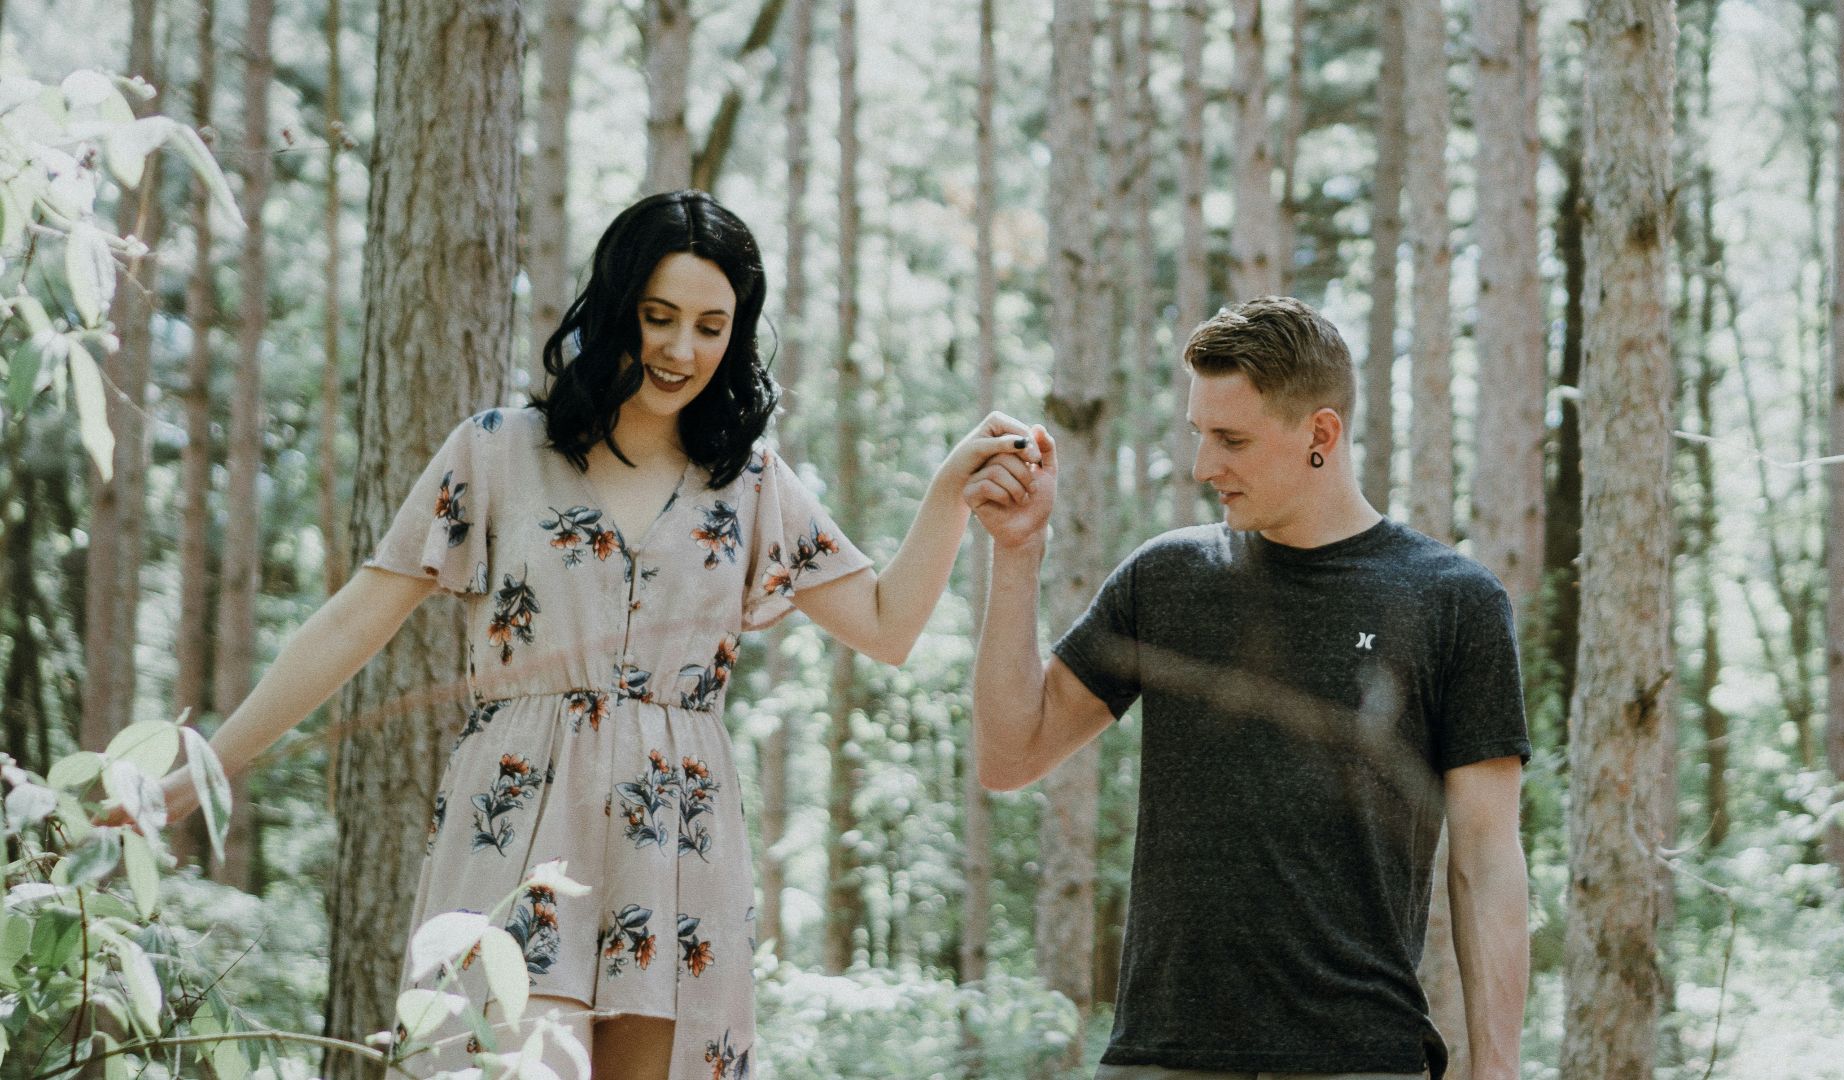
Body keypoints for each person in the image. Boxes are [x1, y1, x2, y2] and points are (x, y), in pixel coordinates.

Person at [141, 190, 1040, 1080]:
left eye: (711, 325)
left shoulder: (751, 482)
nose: (681, 349)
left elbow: (886, 626)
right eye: (658, 317)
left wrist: (948, 496)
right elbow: (352, 621)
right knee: (500, 1068)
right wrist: (200, 775)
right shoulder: (497, 452)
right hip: (518, 820)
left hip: (677, 841)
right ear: (615, 308)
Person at [963, 296, 1530, 1080]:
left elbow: (1487, 855)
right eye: (1200, 434)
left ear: (1321, 435)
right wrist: (1018, 554)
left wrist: (1496, 1067)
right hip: (1161, 1055)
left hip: (1356, 1056)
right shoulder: (1167, 578)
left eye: (1231, 439)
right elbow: (1009, 755)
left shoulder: (1451, 599)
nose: (1203, 467)